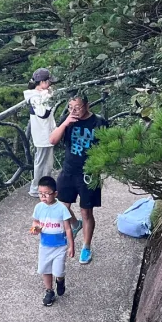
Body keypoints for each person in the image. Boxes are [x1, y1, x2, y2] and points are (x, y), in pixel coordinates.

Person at [50, 92, 108, 264]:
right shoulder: (68, 120)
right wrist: (66, 122)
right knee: (59, 205)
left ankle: (86, 246)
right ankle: (75, 224)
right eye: (70, 107)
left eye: (78, 107)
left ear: (87, 106)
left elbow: (107, 147)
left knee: (86, 211)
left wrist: (99, 167)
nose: (74, 110)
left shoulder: (99, 122)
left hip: (89, 172)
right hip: (69, 169)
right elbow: (52, 140)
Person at [30, 175, 75, 307]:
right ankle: (49, 291)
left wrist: (71, 246)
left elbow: (68, 228)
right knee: (45, 269)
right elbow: (36, 222)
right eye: (40, 194)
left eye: (47, 194)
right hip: (45, 246)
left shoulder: (62, 208)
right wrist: (35, 228)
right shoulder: (39, 207)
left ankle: (60, 280)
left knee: (58, 271)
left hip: (60, 246)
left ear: (55, 193)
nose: (43, 197)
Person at [24, 68, 57, 196]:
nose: (50, 84)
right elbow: (42, 114)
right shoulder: (35, 97)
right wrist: (47, 98)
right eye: (49, 81)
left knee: (47, 163)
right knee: (42, 163)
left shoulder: (39, 95)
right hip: (42, 135)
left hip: (46, 133)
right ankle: (36, 188)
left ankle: (44, 187)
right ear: (42, 82)